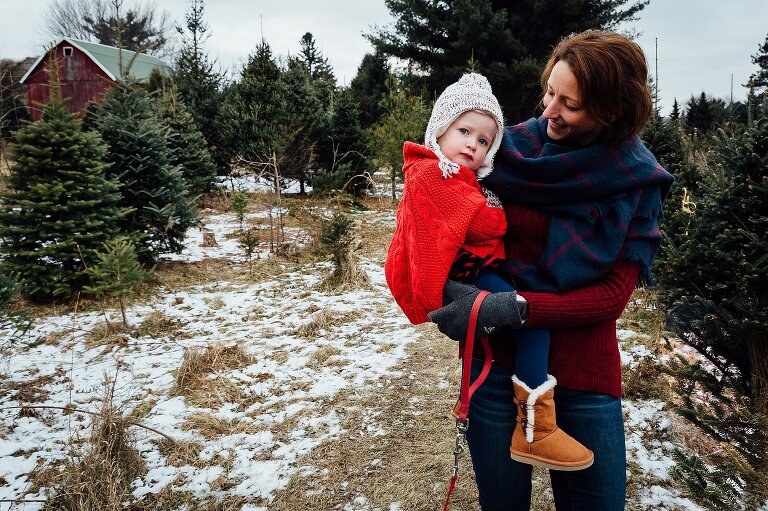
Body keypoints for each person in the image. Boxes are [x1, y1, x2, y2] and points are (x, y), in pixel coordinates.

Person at [427, 30, 675, 510]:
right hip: (494, 367)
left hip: (585, 373)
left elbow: (610, 298)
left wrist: (518, 309)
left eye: (571, 104)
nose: (548, 111)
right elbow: (439, 212)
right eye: (550, 92)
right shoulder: (504, 151)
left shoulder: (637, 180)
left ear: (612, 112)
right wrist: (452, 290)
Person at [384, 73, 593, 474]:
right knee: (531, 318)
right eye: (464, 131)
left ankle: (528, 417)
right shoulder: (434, 173)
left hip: (476, 272)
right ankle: (538, 429)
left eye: (483, 141)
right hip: (471, 276)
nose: (472, 145)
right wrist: (495, 206)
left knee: (521, 320)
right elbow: (482, 226)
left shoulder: (456, 176)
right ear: (440, 130)